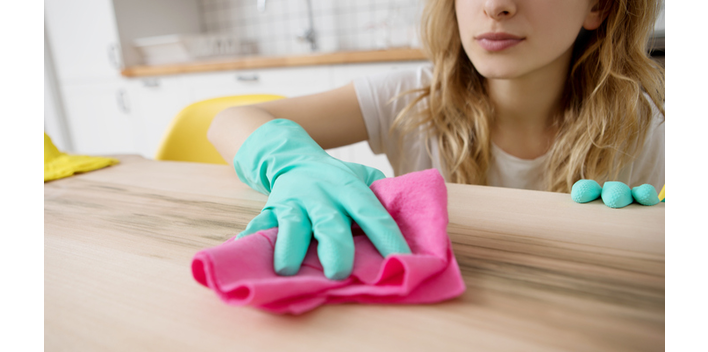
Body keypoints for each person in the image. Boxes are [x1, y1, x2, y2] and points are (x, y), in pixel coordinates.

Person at [207, 0, 665, 280]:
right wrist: (291, 163)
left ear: (598, 5)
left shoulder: (653, 124)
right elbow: (230, 119)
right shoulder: (410, 98)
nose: (496, 5)